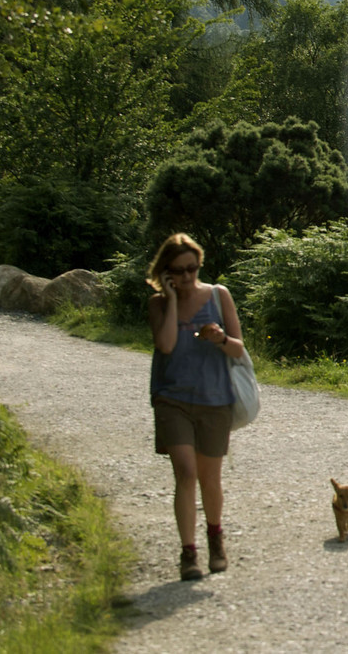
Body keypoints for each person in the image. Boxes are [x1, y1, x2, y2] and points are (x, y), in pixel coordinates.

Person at [147, 233, 245, 581]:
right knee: (185, 473)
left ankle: (215, 539)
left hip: (215, 399)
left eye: (193, 268)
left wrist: (219, 338)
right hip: (172, 398)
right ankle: (188, 553)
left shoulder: (219, 297)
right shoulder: (158, 304)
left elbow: (238, 350)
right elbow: (166, 346)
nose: (188, 276)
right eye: (179, 271)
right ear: (166, 271)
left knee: (210, 478)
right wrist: (172, 299)